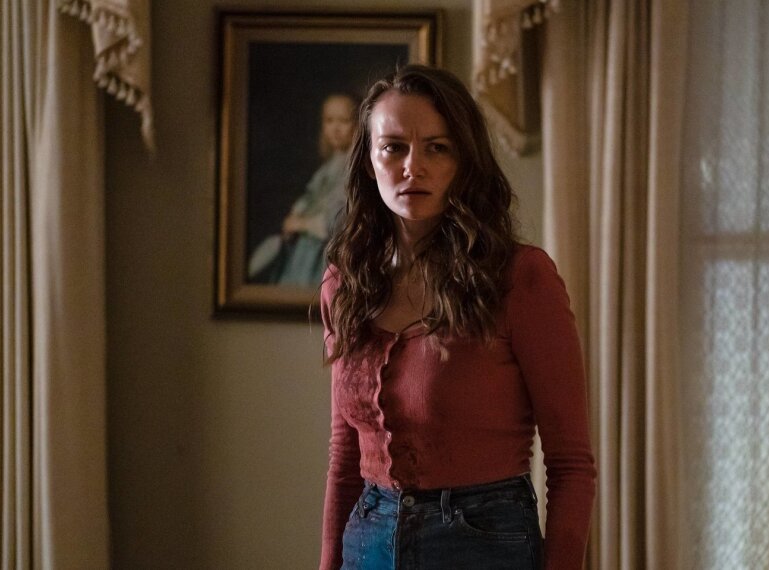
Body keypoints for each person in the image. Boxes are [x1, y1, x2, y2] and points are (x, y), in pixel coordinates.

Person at [319, 65, 596, 570]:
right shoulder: (344, 283)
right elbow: (345, 459)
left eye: (437, 148)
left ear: (464, 162)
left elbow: (571, 464)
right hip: (368, 543)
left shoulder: (519, 277)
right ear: (369, 163)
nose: (413, 166)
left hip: (483, 542)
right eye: (393, 147)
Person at [247, 93, 357, 287]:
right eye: (329, 121)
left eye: (343, 121)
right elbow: (309, 200)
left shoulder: (354, 170)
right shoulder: (326, 169)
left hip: (325, 255)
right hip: (304, 251)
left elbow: (340, 221)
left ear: (356, 125)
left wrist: (302, 224)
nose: (336, 128)